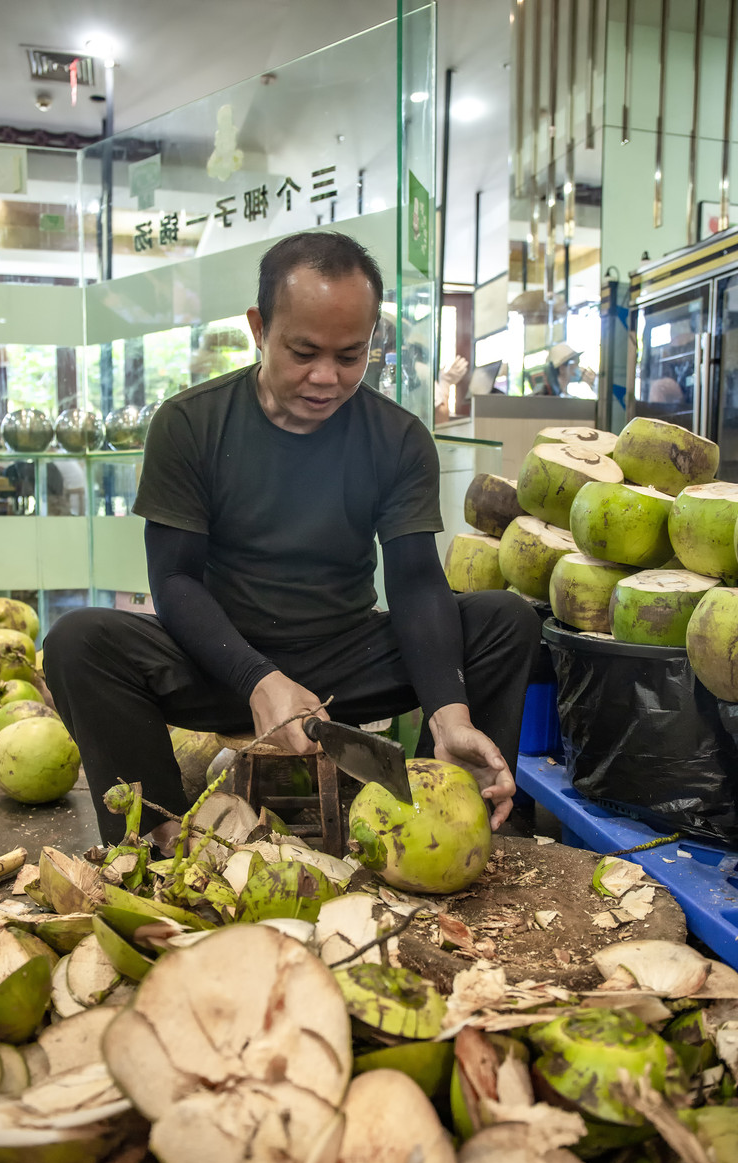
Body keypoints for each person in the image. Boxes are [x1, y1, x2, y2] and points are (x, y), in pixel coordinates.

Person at [43, 232, 541, 847]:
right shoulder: (190, 423)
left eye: (351, 356)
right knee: (77, 642)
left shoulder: (398, 438)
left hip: (344, 658)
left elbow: (414, 580)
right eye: (303, 352)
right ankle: (157, 842)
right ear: (259, 327)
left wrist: (449, 709)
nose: (326, 378)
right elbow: (172, 581)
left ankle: (464, 818)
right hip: (220, 660)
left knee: (504, 619)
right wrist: (258, 677)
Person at [532, 342, 596, 397]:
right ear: (562, 368)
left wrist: (595, 384)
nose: (579, 368)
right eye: (576, 364)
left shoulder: (564, 396)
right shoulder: (542, 398)